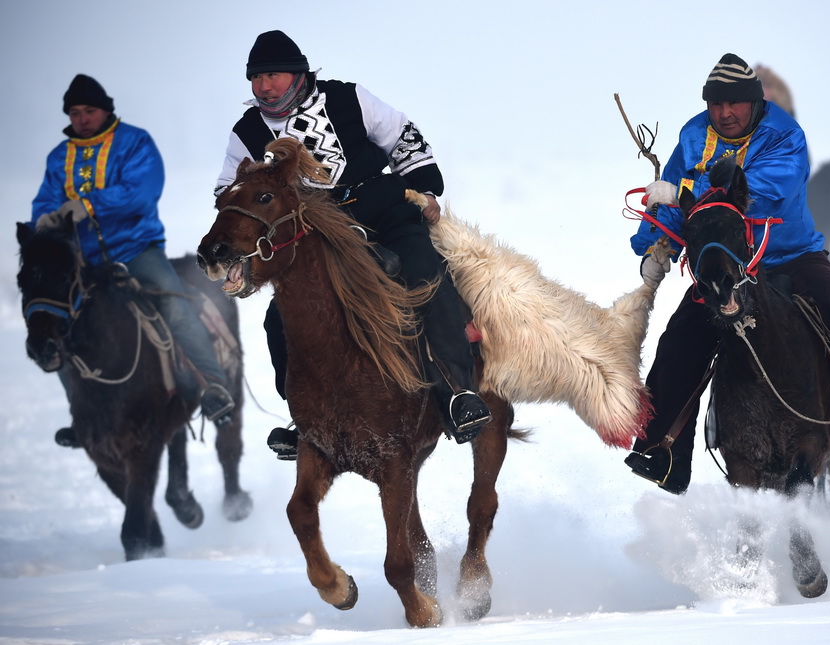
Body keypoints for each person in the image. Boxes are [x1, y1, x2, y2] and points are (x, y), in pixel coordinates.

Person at [625, 54, 830, 494]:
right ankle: (665, 453)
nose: (724, 113)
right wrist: (658, 242)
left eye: (735, 103)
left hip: (789, 256)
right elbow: (682, 206)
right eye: (716, 104)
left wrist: (684, 190)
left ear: (755, 103)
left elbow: (756, 193)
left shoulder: (785, 136)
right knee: (679, 341)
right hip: (727, 261)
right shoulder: (693, 134)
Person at [215, 30, 492, 459]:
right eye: (256, 77)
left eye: (273, 75)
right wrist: (236, 250)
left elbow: (401, 135)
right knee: (279, 318)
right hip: (319, 234)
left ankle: (457, 392)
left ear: (298, 73)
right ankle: (303, 417)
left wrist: (425, 189)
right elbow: (231, 194)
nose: (264, 86)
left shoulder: (348, 97)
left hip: (385, 211)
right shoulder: (248, 132)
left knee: (425, 276)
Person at [32, 74, 237, 447]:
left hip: (137, 252)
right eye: (75, 112)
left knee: (175, 306)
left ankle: (214, 387)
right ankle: (81, 416)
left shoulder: (133, 142)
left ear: (106, 109)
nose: (81, 118)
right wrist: (45, 219)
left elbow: (140, 193)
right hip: (84, 264)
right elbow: (45, 201)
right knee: (59, 326)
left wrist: (88, 205)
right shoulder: (59, 158)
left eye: (88, 110)